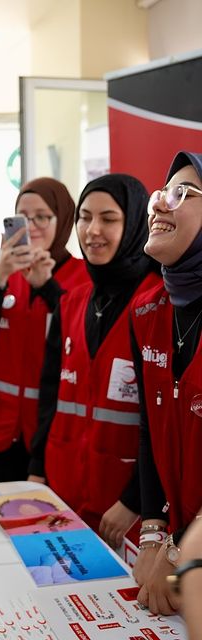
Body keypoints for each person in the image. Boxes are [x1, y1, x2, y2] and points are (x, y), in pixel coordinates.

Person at [27, 175, 160, 544]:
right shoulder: (73, 301)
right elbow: (50, 391)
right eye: (84, 217)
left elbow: (166, 423)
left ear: (134, 224)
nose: (92, 230)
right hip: (62, 495)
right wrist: (37, 468)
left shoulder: (157, 303)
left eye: (109, 218)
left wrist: (135, 501)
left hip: (124, 510)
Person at [0, 178, 88, 482]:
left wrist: (47, 287)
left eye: (42, 217)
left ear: (62, 221)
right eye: (22, 217)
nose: (31, 226)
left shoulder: (83, 279)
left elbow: (80, 342)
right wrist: (0, 278)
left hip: (51, 431)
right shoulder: (2, 273)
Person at [130, 151, 202, 615]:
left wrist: (183, 550)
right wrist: (155, 527)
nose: (159, 205)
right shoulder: (147, 310)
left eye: (183, 194)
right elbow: (148, 427)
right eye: (161, 193)